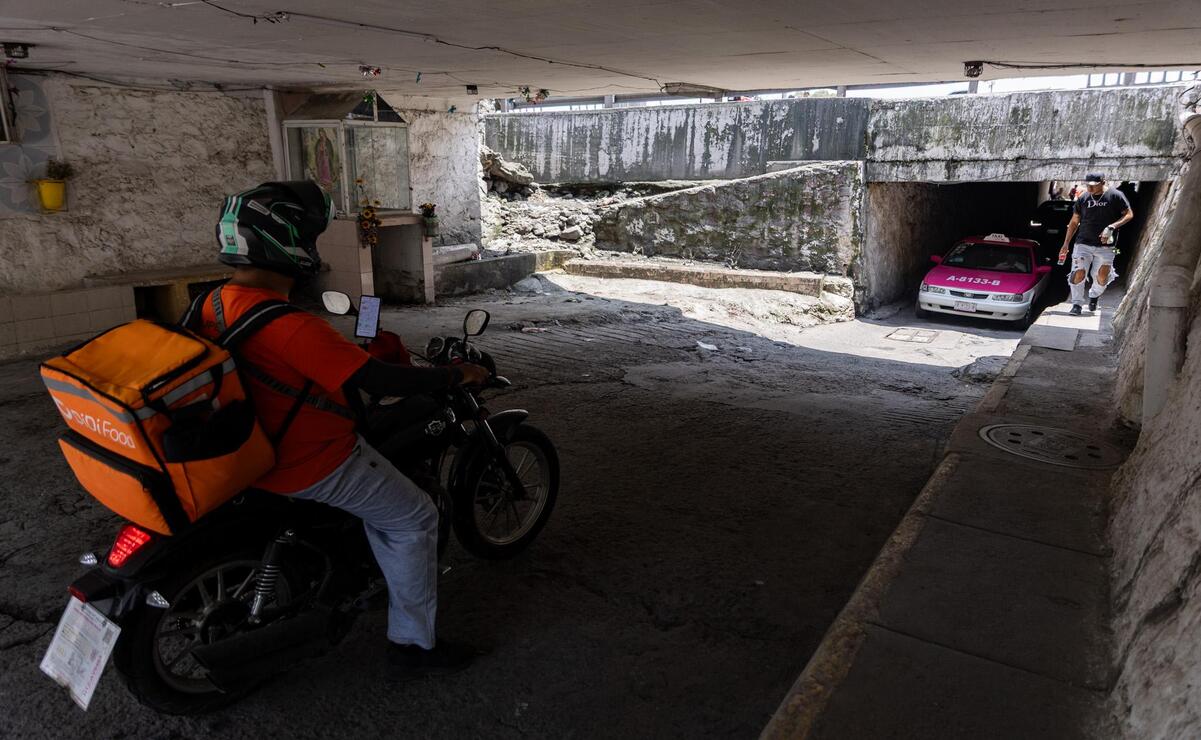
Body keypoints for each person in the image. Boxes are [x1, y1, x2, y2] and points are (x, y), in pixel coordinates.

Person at [201, 180, 490, 678]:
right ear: (289, 245)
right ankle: (413, 647)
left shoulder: (212, 303)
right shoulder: (289, 324)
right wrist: (454, 374)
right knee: (415, 517)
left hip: (247, 448)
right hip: (310, 461)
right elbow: (379, 378)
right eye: (311, 239)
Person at [1058, 173, 1134, 315]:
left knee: (1102, 276)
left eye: (1094, 185)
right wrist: (1066, 243)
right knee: (1078, 273)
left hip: (1106, 246)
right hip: (1083, 243)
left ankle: (1094, 296)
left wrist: (1113, 226)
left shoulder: (1115, 195)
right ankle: (1076, 304)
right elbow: (1074, 221)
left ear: (1103, 182)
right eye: (1088, 185)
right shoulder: (1083, 198)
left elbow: (1129, 214)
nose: (1090, 188)